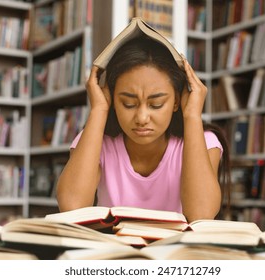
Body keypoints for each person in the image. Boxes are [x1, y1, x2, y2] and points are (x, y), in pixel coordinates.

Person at [56, 36, 231, 222]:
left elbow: (201, 215)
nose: (141, 118)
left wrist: (193, 115)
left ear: (176, 101)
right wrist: (99, 109)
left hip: (174, 251)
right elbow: (71, 208)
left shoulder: (204, 142)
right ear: (113, 99)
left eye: (156, 104)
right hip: (115, 251)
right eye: (128, 103)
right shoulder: (96, 142)